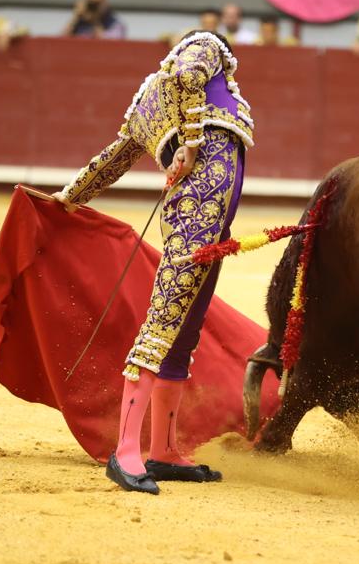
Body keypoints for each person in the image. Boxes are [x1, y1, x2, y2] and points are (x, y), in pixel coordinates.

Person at [52, 31, 255, 495]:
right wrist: (192, 144)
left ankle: (163, 451)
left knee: (182, 333)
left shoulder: (146, 103)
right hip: (198, 210)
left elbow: (113, 159)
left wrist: (69, 196)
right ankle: (126, 451)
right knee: (163, 326)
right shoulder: (205, 47)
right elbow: (188, 73)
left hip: (206, 219)